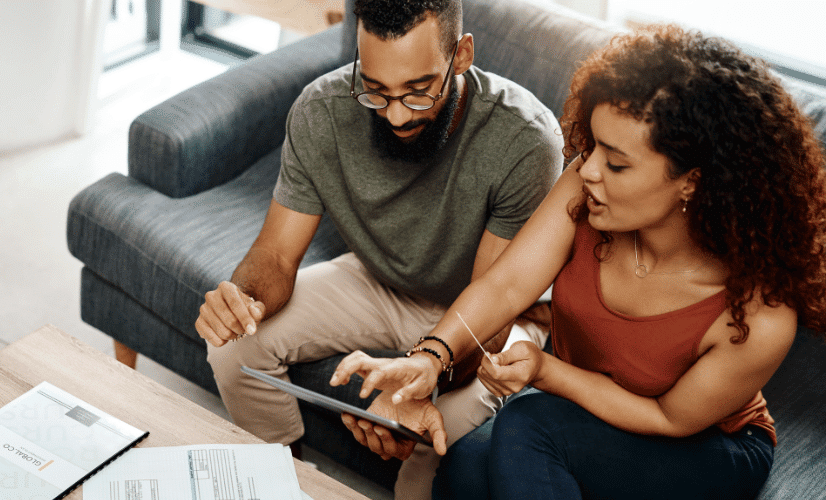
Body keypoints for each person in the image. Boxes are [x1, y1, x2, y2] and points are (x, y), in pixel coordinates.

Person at [331, 25, 826, 499]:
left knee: (528, 425)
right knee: (460, 473)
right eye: (591, 147)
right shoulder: (588, 192)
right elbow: (506, 286)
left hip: (704, 446)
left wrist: (544, 371)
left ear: (692, 181)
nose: (586, 169)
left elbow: (667, 418)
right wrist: (429, 358)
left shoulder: (760, 313)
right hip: (580, 417)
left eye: (616, 162)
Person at [194, 0, 563, 497]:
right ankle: (285, 486)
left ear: (461, 55)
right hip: (378, 279)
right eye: (375, 90)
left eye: (417, 92)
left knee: (436, 439)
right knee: (234, 347)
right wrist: (242, 299)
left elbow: (490, 317)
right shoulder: (321, 109)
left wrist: (420, 379)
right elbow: (276, 257)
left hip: (484, 315)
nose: (394, 114)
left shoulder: (525, 140)